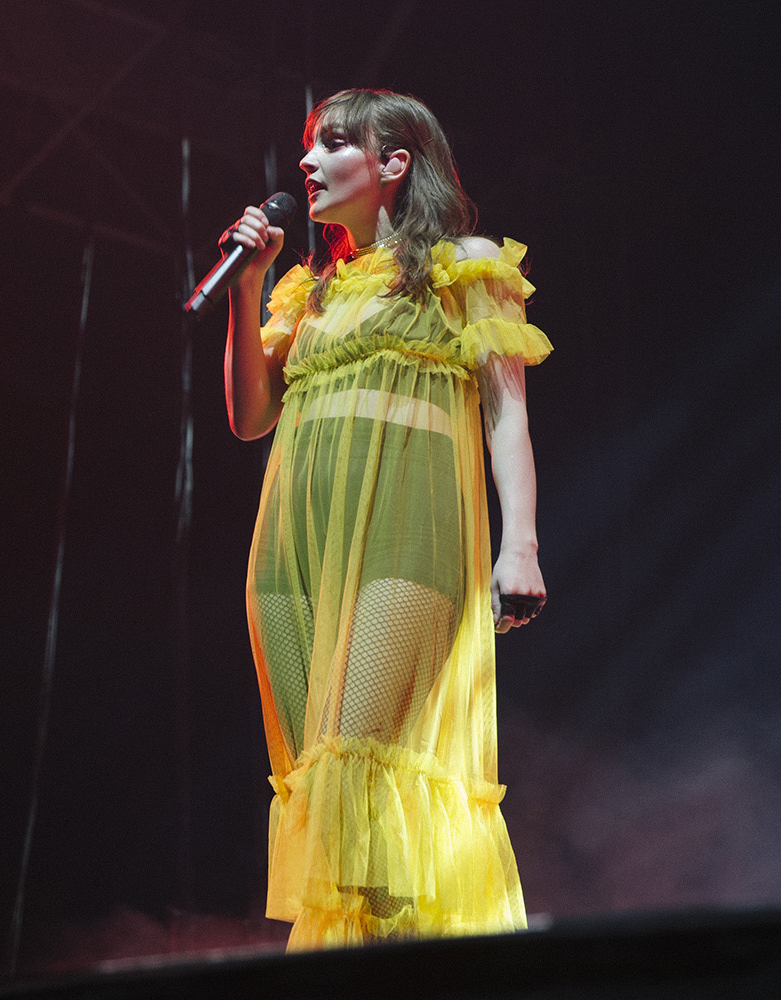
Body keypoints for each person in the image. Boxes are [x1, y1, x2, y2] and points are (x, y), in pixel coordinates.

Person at [223, 89, 549, 950]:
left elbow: (506, 414)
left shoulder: (465, 266)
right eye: (307, 145)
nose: (307, 162)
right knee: (319, 785)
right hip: (292, 551)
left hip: (408, 540)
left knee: (362, 759)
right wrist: (248, 287)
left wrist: (521, 545)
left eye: (331, 144)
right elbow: (249, 418)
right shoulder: (307, 290)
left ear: (393, 163)